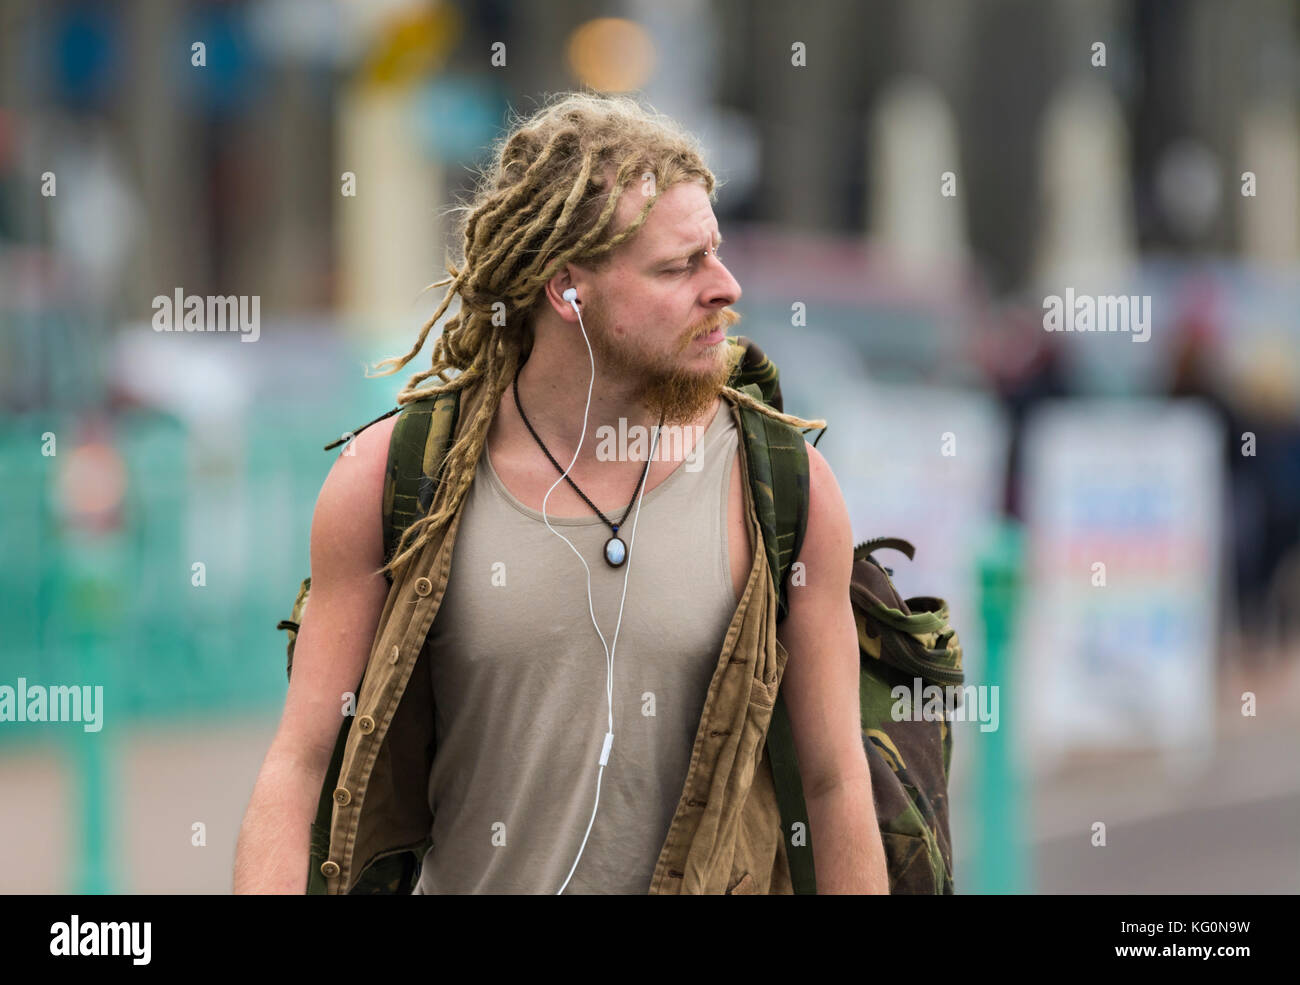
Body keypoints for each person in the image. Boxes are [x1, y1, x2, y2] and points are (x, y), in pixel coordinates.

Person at [234, 92, 887, 895]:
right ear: (566, 290)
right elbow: (298, 767)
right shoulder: (392, 482)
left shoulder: (786, 489)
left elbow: (834, 782)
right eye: (680, 265)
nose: (725, 285)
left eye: (714, 251)